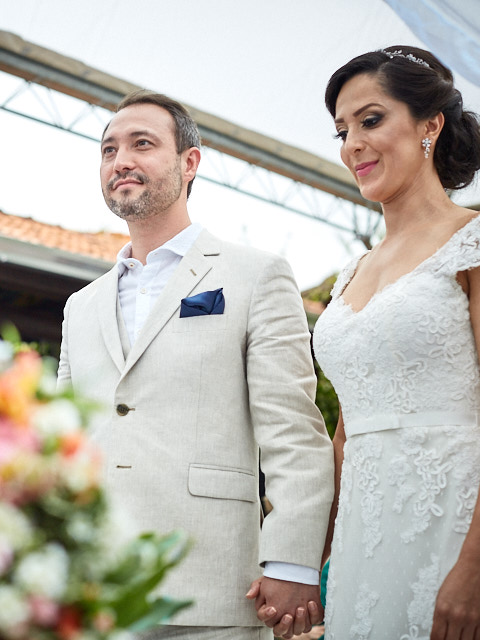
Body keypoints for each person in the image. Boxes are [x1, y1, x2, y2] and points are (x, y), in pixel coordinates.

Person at [57, 90, 334, 640]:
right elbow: (63, 442)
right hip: (91, 591)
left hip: (211, 587)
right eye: (108, 149)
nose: (121, 161)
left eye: (142, 144)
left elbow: (293, 430)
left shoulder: (257, 275)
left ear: (190, 162)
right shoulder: (79, 305)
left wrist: (292, 562)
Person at [312, 46, 480, 638]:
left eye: (370, 120)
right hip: (364, 546)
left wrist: (478, 564)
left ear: (430, 124)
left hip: (463, 528)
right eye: (342, 131)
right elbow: (346, 434)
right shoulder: (351, 273)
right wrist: (314, 556)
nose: (352, 144)